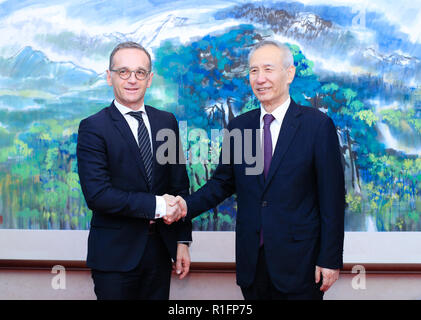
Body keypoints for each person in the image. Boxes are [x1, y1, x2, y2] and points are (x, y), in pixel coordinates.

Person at [171, 40, 345, 300]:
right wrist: (184, 206)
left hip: (301, 264)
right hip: (252, 264)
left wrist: (330, 259)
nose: (260, 79)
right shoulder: (239, 127)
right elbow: (222, 183)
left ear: (289, 74)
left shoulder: (317, 126)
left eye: (268, 69)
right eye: (253, 71)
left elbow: (332, 199)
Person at [76, 41, 191, 300]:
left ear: (149, 79)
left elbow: (179, 186)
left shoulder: (166, 122)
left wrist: (182, 241)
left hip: (160, 253)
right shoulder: (93, 127)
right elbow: (98, 195)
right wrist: (159, 206)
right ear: (109, 77)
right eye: (123, 72)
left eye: (140, 72)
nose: (132, 79)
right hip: (114, 257)